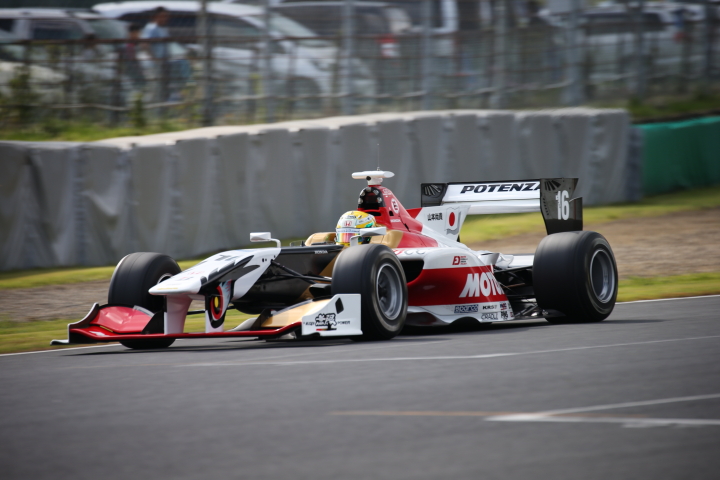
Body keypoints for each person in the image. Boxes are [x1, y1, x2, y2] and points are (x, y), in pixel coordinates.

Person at [141, 6, 170, 102]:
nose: (165, 18)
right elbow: (145, 44)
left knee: (160, 88)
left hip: (160, 64)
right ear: (156, 16)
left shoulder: (162, 29)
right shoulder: (151, 27)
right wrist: (153, 58)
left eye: (166, 16)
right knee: (154, 88)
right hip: (152, 64)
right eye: (162, 16)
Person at [120, 24, 146, 92]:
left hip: (138, 75)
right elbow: (132, 62)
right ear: (130, 33)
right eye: (135, 33)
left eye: (138, 33)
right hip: (132, 75)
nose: (137, 35)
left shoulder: (137, 44)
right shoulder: (128, 45)